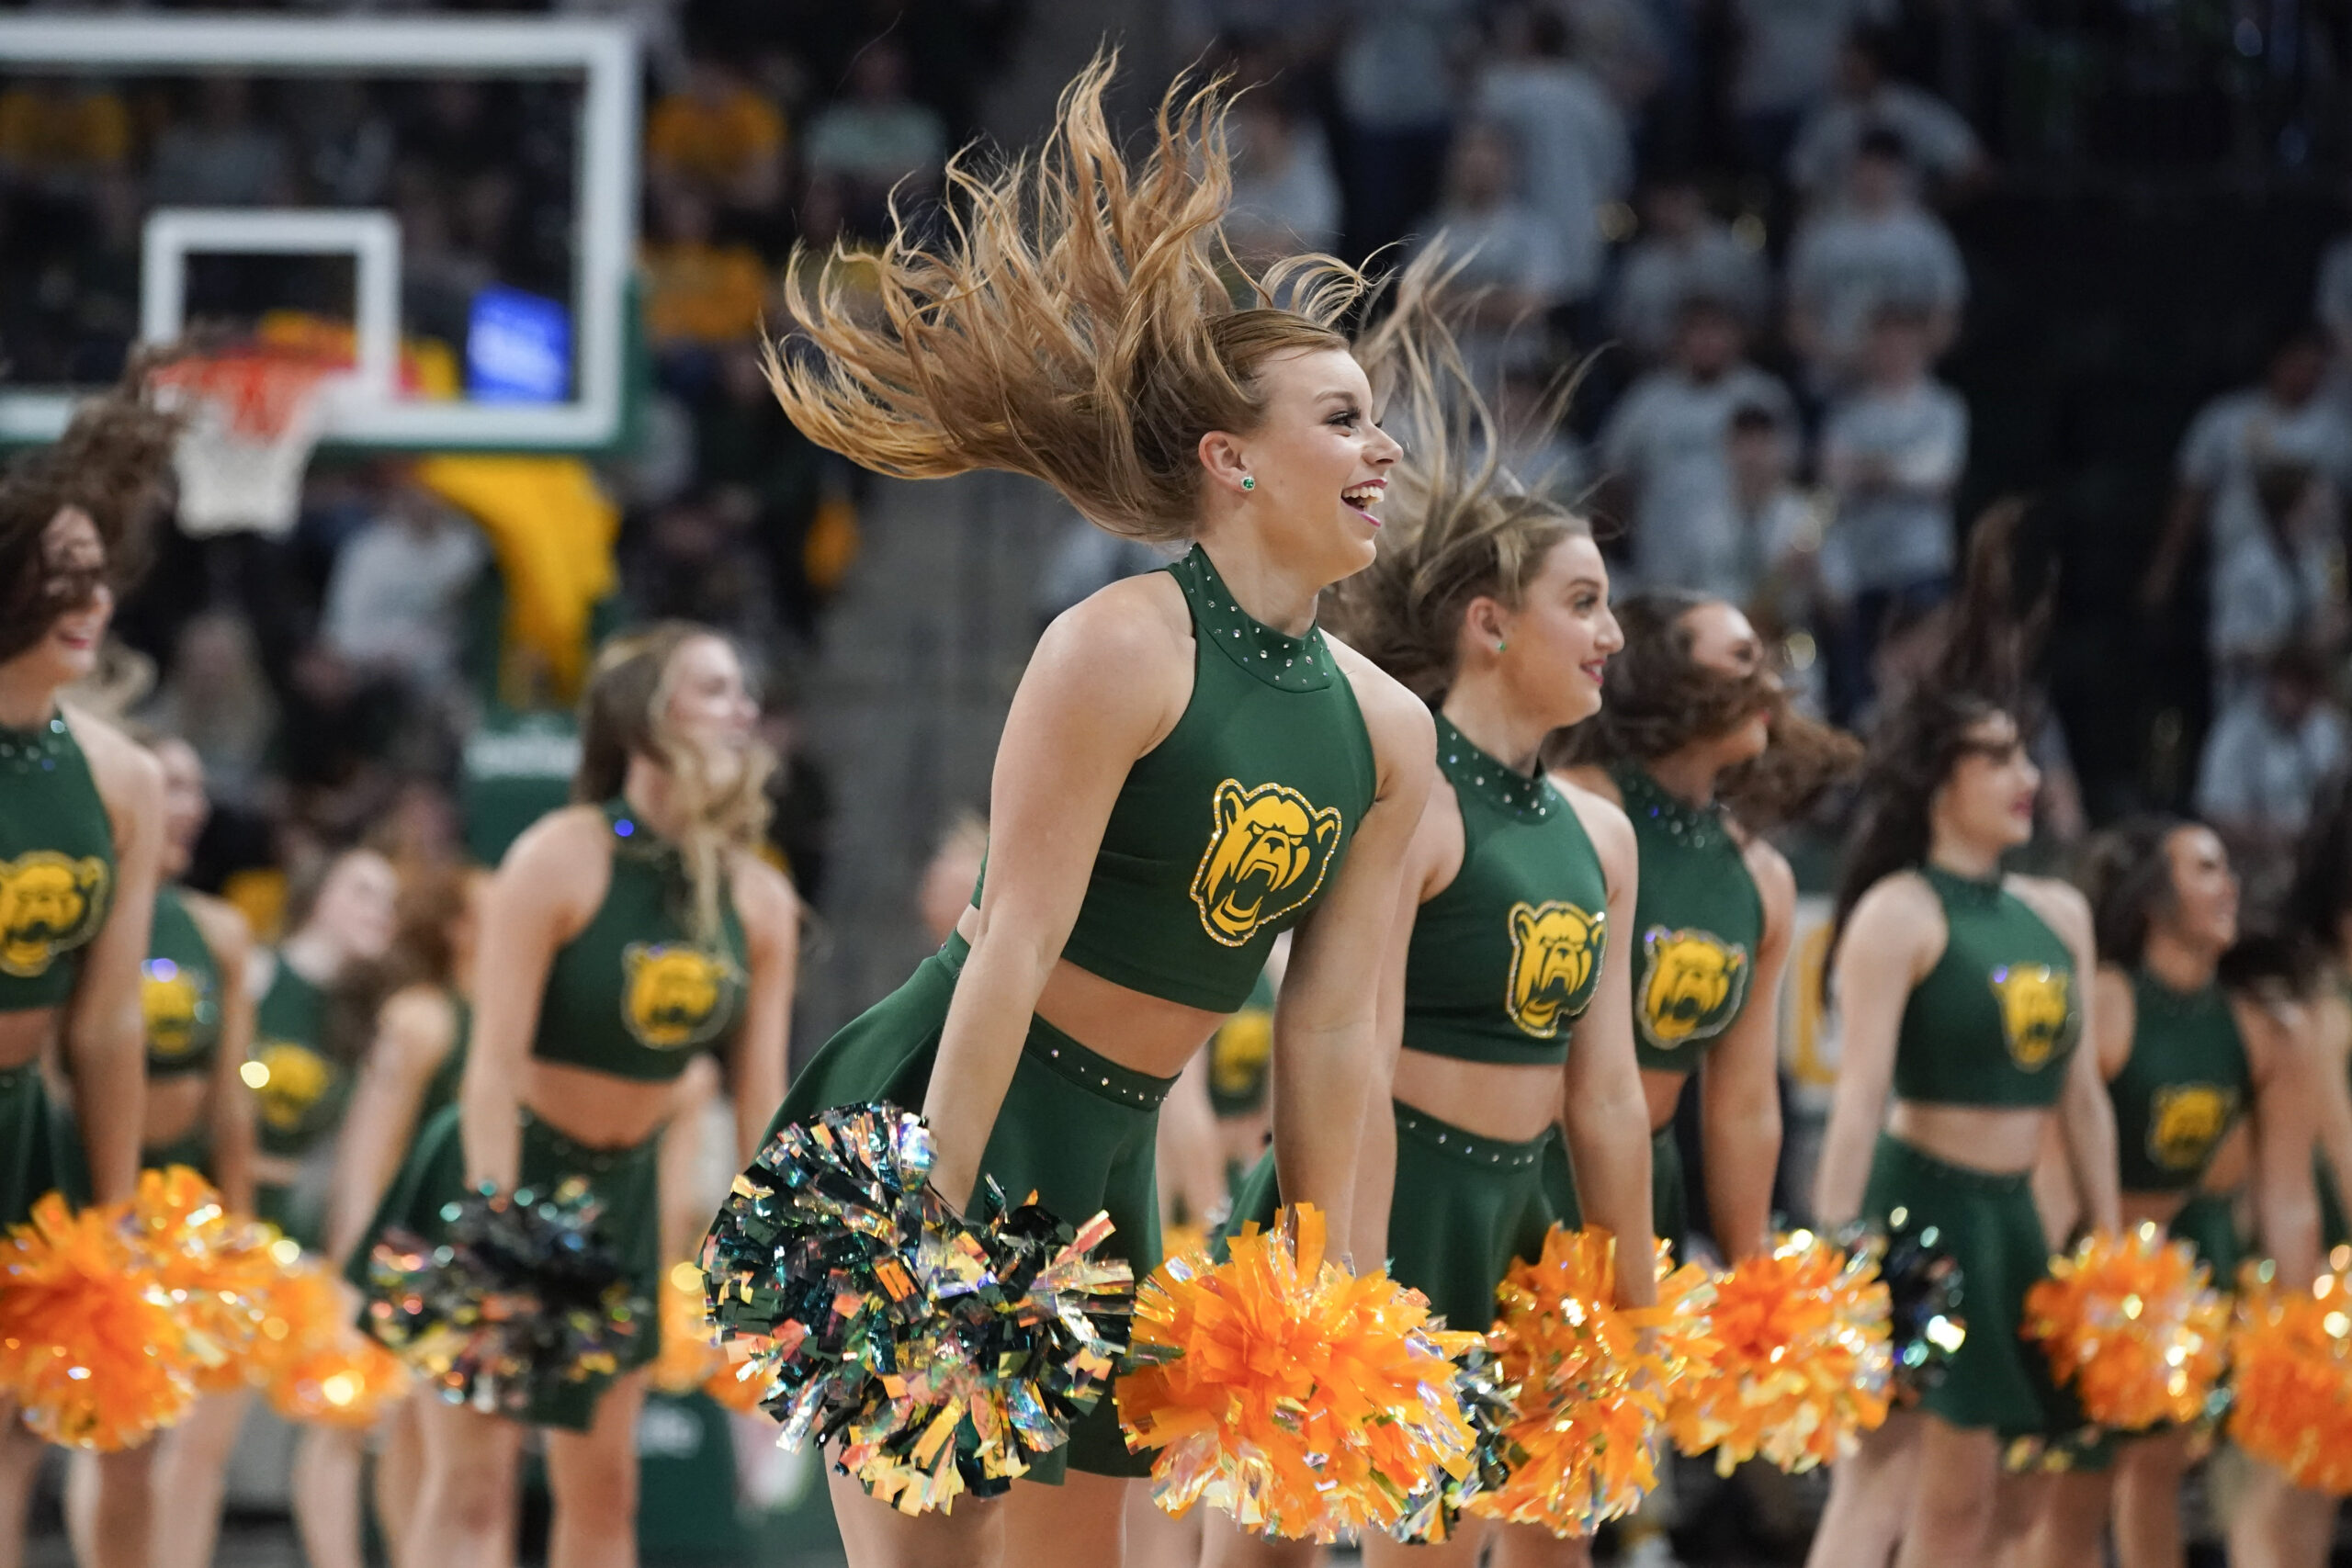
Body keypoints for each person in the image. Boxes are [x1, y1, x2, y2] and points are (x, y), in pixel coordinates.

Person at [751, 58, 1435, 1563]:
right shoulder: (1118, 645)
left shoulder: (1392, 734)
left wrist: (1326, 1281)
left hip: (1114, 1148)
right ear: (1232, 459)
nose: (1382, 447)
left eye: (1375, 418)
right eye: (1342, 417)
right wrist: (931, 1213)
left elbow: (1333, 1027)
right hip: (955, 1102)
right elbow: (1010, 942)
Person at [1210, 269, 1656, 1568]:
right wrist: (1354, 1276)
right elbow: (1350, 1039)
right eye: (1583, 602)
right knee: (1275, 1549)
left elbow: (1607, 1095)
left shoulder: (1603, 836)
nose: (1610, 634)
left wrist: (1634, 1302)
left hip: (1514, 1222)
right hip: (1380, 1203)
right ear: (1488, 624)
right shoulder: (1412, 793)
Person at [361, 622, 797, 1568]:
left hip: (623, 1197)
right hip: (504, 1170)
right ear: (644, 714)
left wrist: (772, 1253)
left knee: (605, 1493)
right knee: (473, 1487)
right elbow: (491, 1065)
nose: (742, 711)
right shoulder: (558, 856)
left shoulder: (759, 901)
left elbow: (760, 1099)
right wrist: (498, 1227)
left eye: (742, 690)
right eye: (714, 689)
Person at [1804, 511, 2120, 1568]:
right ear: (1938, 778)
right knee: (1880, 1481)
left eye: (2025, 755)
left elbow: (2081, 1100)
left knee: (1991, 1500)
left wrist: (2106, 1244)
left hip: (2014, 1223)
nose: (2026, 776)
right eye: (1997, 759)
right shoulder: (1898, 911)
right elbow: (1858, 1099)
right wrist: (1836, 1253)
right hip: (1917, 1214)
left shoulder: (2059, 914)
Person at [2022, 818, 2319, 1568]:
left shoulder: (2254, 1026)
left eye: (2227, 867)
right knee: (2071, 1497)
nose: (2230, 885)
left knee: (2157, 1472)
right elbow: (2049, 1166)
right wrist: (2048, 1290)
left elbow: (2286, 1196)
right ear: (2154, 900)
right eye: (2206, 869)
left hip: (2183, 1278)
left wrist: (2304, 1325)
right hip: (2089, 1272)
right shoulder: (2105, 1002)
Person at [0, 366, 174, 1568]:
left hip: (26, 1126)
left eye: (100, 572)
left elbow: (108, 1024)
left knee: (20, 1431)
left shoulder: (124, 778)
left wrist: (113, 1221)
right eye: (63, 573)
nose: (93, 599)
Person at [1552, 592, 1859, 1262]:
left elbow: (1743, 1106)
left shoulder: (1761, 876)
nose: (1770, 685)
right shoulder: (1571, 809)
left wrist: (1752, 1277)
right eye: (1742, 659)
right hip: (1542, 1172)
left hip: (1648, 1184)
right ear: (1661, 672)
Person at [81, 735, 259, 1568]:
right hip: (87, 1190)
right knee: (47, 1430)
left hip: (179, 1204)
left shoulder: (218, 931)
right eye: (171, 785)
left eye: (194, 787)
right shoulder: (88, 914)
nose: (189, 805)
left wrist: (239, 1225)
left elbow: (232, 1097)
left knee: (143, 1438)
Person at [323, 863, 487, 1568]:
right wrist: (357, 1268)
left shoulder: (510, 1011)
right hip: (416, 1249)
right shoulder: (423, 1016)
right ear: (457, 928)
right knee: (401, 1429)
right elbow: (369, 1150)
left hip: (482, 1253)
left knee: (453, 1441)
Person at [247, 843, 398, 1568]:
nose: (382, 912)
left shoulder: (368, 1017)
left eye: (391, 901)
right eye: (364, 890)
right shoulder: (255, 976)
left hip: (310, 1236)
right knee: (193, 1432)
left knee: (343, 1411)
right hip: (226, 1224)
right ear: (318, 895)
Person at [1816, 304, 1970, 721]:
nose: (1893, 351)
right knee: (1865, 693)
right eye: (1884, 342)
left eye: (1902, 341)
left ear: (1920, 347)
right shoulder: (1849, 413)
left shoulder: (1942, 406)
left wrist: (1873, 470)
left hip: (1923, 568)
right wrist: (1903, 471)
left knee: (1931, 684)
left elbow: (1940, 474)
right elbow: (1834, 479)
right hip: (1864, 573)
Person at [2143, 326, 2352, 620]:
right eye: (2298, 362)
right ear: (2277, 361)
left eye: (2314, 366)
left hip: (2320, 563)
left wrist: (2341, 591)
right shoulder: (2226, 420)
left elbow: (2342, 521)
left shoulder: (2337, 429)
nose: (2306, 373)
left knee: (2324, 639)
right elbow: (2191, 499)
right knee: (2245, 641)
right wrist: (2165, 568)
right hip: (2242, 559)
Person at [1595, 295, 1795, 599]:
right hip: (1660, 558)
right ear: (1677, 338)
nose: (1706, 341)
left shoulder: (1763, 395)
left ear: (1737, 336)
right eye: (1696, 331)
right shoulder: (1646, 401)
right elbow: (1612, 480)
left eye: (1716, 330)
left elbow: (1787, 473)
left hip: (1737, 562)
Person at [1784, 128, 1966, 391]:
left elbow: (1946, 312)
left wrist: (1900, 359)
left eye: (1884, 166)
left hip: (1903, 388)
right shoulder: (1818, 234)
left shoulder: (1926, 235)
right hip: (1833, 380)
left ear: (1900, 171)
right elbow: (1797, 314)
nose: (1874, 175)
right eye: (1867, 165)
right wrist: (1840, 358)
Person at [1785, 28, 1985, 206]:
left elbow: (1972, 164)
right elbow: (1800, 178)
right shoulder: (1827, 118)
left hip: (1903, 220)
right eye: (1846, 63)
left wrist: (1933, 206)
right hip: (1841, 220)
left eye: (1858, 64)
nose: (1849, 70)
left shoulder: (1911, 109)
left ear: (1877, 65)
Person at [1607, 174, 1772, 367]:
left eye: (1678, 199)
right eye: (1663, 202)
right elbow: (1623, 331)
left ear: (1697, 198)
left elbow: (1759, 315)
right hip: (1658, 368)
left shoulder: (1733, 250)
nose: (1671, 210)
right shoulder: (1639, 264)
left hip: (1734, 367)